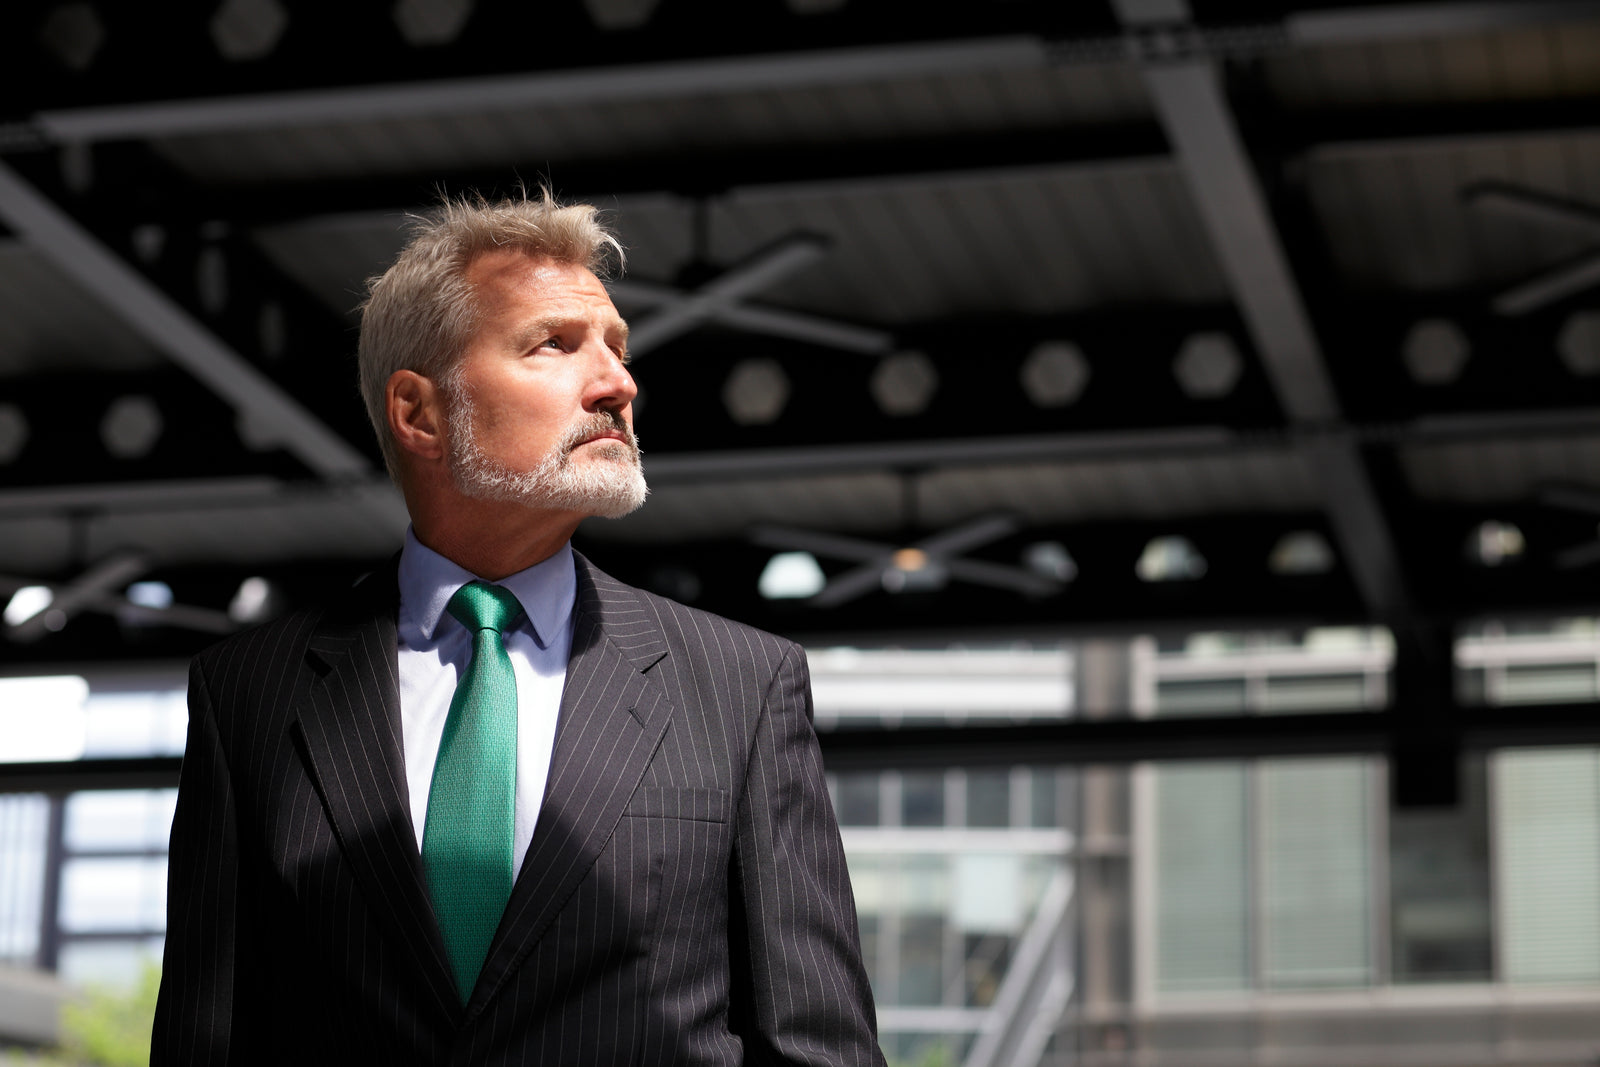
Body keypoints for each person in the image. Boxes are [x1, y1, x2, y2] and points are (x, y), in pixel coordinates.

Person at [152, 192, 884, 1066]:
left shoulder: (741, 684)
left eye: (616, 346)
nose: (618, 383)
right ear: (419, 413)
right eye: (555, 344)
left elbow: (818, 1049)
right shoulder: (247, 694)